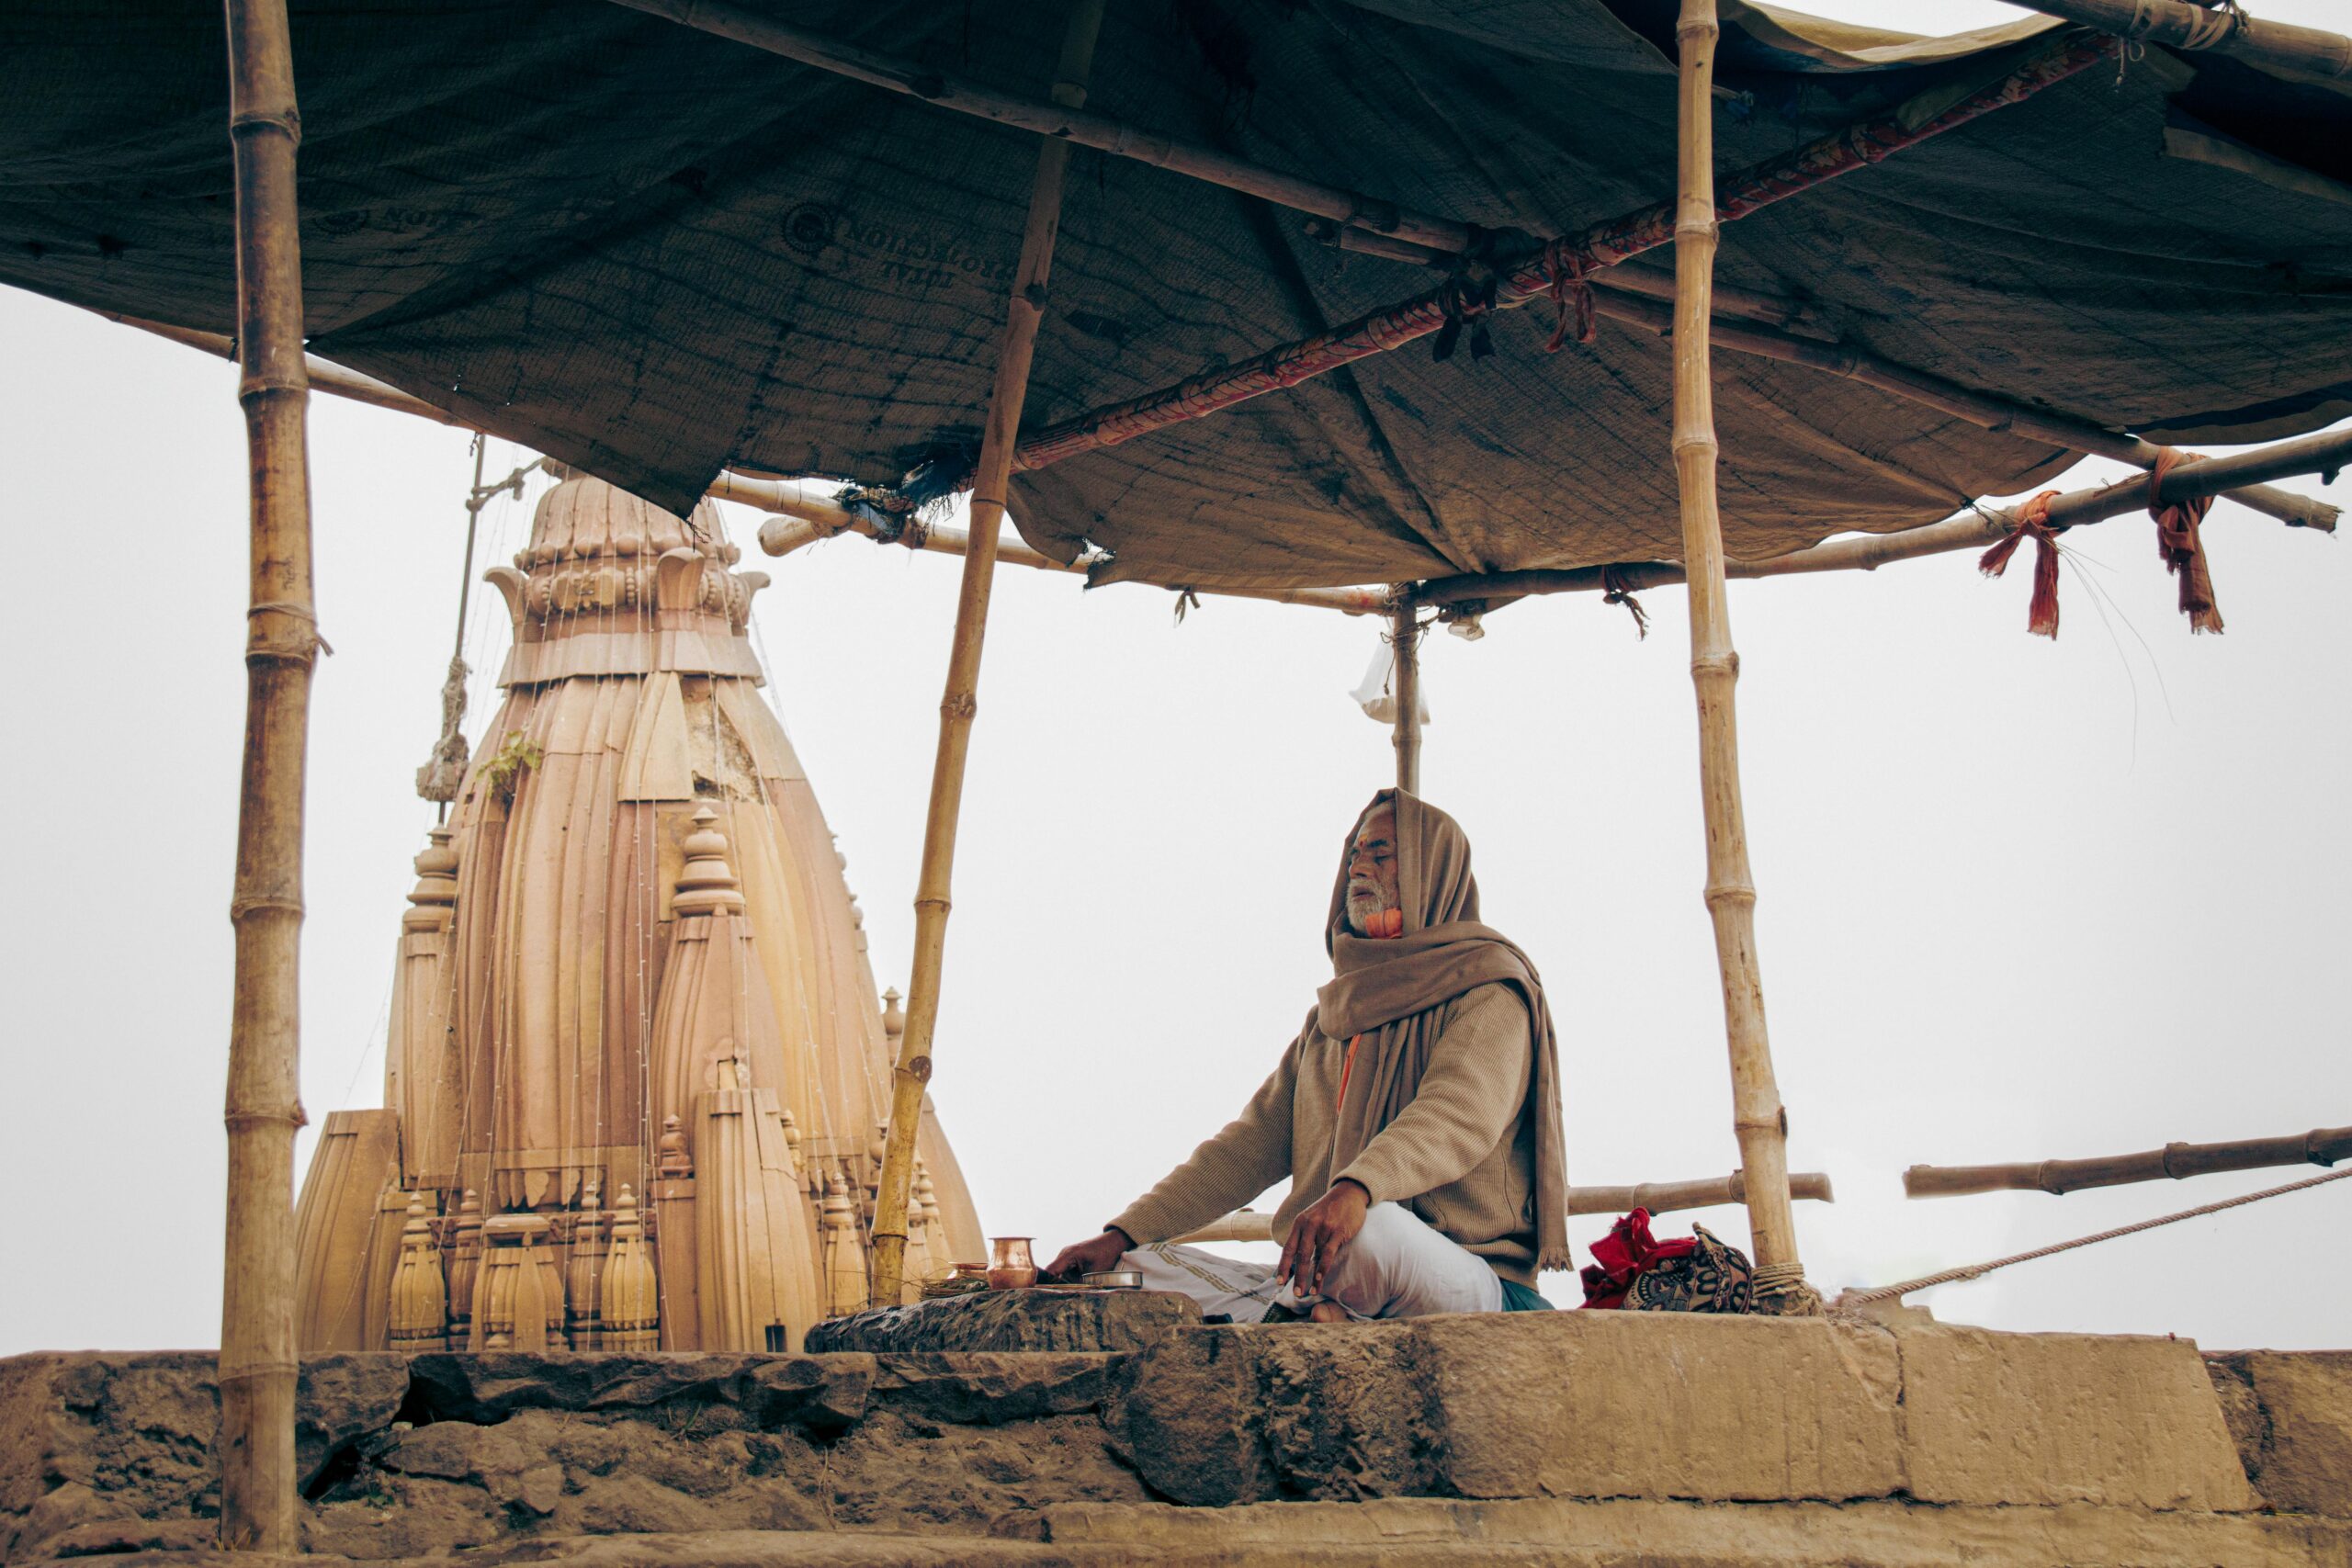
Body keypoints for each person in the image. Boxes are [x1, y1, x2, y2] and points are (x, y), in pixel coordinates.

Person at [1045, 789, 1569, 1321]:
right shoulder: (1333, 1020)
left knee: (1374, 1231)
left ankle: (1306, 1315)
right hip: (1321, 1276)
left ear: (1429, 869)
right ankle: (1317, 1316)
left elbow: (1455, 1117)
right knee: (1140, 1268)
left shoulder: (1490, 991)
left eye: (1380, 854)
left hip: (1459, 1280)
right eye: (1353, 856)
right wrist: (1122, 1233)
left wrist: (1356, 1190)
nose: (1357, 869)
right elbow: (1245, 1147)